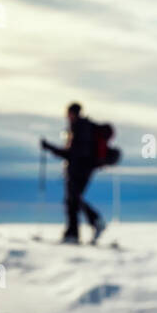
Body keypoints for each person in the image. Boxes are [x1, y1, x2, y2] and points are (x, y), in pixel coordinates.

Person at [41, 102, 110, 244]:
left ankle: (93, 222)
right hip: (81, 169)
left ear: (74, 113)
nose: (67, 116)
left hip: (80, 170)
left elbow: (74, 153)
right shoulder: (80, 127)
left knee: (74, 199)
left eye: (69, 113)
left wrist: (50, 148)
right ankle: (73, 233)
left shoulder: (80, 128)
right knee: (72, 200)